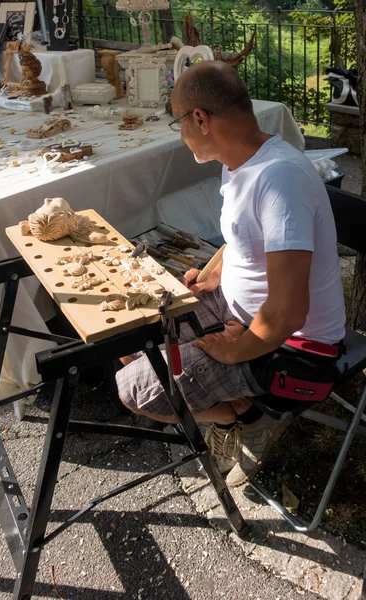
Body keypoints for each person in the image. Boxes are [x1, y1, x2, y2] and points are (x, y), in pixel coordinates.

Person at [116, 61, 346, 488]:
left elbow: (289, 312)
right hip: (243, 310)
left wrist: (232, 352)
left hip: (293, 346)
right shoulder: (242, 160)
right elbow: (239, 237)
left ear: (200, 119)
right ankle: (234, 411)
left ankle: (247, 417)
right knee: (132, 335)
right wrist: (211, 275)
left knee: (134, 390)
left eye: (178, 122)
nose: (180, 133)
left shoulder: (279, 180)